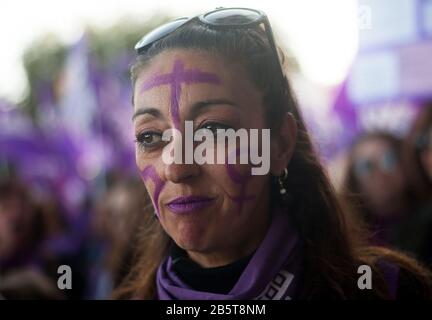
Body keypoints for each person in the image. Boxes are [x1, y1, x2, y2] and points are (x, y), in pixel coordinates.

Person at [115, 8, 432, 300]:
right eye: (150, 136)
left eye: (212, 130)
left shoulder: (387, 292)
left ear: (279, 144)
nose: (176, 167)